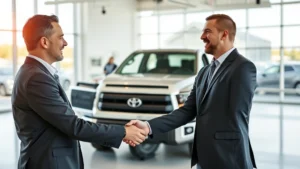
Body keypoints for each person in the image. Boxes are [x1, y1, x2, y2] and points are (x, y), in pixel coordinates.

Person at [11, 14, 146, 169]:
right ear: (44, 42)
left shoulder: (35, 72)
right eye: (61, 37)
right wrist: (123, 132)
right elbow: (74, 126)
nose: (65, 43)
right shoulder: (36, 78)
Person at [125, 14, 257, 169]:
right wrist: (148, 127)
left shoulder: (243, 67)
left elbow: (236, 115)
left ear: (224, 34)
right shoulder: (204, 72)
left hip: (230, 157)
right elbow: (187, 111)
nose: (202, 37)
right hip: (204, 157)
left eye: (207, 31)